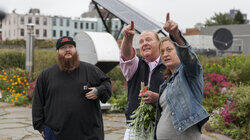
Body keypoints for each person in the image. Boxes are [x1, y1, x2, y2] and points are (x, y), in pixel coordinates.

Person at [32, 36, 112, 140]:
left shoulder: (90, 70)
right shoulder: (46, 75)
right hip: (56, 135)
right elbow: (37, 102)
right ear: (58, 52)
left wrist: (98, 91)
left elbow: (106, 83)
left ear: (75, 50)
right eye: (63, 48)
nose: (67, 50)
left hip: (89, 134)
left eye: (70, 46)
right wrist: (41, 128)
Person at [155, 13, 209, 140]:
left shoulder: (189, 73)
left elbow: (189, 58)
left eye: (169, 49)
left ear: (178, 51)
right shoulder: (167, 83)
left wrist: (176, 36)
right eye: (162, 51)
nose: (165, 54)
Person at [120, 21, 166, 139]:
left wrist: (158, 98)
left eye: (149, 40)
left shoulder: (168, 66)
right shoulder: (135, 65)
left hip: (161, 127)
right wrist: (128, 38)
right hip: (135, 127)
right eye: (141, 42)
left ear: (159, 44)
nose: (144, 43)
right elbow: (126, 55)